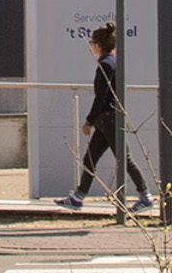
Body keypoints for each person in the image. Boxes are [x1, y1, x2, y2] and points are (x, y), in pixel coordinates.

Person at [59, 23, 155, 212]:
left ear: (98, 45)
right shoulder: (114, 62)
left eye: (92, 43)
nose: (91, 46)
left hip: (108, 119)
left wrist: (89, 121)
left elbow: (101, 97)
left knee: (124, 159)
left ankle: (146, 196)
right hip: (108, 120)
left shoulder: (105, 65)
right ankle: (78, 197)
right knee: (90, 158)